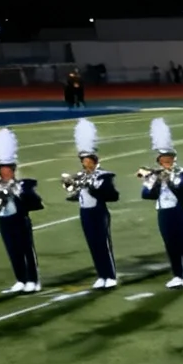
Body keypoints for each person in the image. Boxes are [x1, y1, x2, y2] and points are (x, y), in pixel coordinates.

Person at [0, 128, 44, 294]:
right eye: (2, 169)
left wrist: (17, 191)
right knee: (13, 252)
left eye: (8, 169)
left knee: (27, 252)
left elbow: (36, 202)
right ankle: (21, 280)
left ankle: (33, 280)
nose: (5, 171)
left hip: (20, 221)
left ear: (13, 170)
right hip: (4, 222)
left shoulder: (23, 184)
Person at [143, 119, 183, 288]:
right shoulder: (154, 175)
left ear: (174, 160)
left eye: (170, 159)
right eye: (164, 160)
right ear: (159, 161)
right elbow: (145, 194)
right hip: (163, 212)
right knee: (169, 244)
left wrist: (172, 180)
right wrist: (156, 181)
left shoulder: (182, 173)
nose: (167, 162)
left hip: (178, 211)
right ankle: (177, 274)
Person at [68, 119, 120, 288]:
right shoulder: (80, 175)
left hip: (99, 212)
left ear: (95, 160)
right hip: (85, 212)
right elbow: (77, 193)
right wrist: (75, 193)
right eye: (84, 160)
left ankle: (110, 276)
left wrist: (92, 189)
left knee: (103, 244)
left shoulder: (104, 175)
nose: (86, 163)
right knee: (92, 244)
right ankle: (101, 275)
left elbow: (113, 195)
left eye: (89, 160)